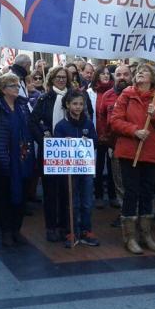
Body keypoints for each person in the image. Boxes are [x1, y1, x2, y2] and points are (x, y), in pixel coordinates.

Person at [109, 64, 155, 254]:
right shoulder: (126, 96)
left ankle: (146, 234)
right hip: (130, 152)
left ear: (152, 78)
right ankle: (129, 237)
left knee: (147, 192)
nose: (139, 75)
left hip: (152, 153)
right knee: (131, 192)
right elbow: (115, 121)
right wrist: (134, 131)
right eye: (137, 73)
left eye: (143, 72)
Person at [31, 66, 93, 241]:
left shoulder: (75, 96)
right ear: (51, 79)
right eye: (57, 77)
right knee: (50, 192)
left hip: (73, 153)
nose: (60, 80)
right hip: (52, 152)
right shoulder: (44, 98)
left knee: (68, 191)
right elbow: (33, 121)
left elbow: (87, 116)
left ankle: (67, 226)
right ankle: (51, 227)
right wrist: (43, 140)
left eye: (63, 77)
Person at [0, 73, 35, 247]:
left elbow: (30, 128)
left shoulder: (23, 107)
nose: (17, 88)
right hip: (5, 160)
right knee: (5, 197)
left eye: (17, 85)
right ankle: (6, 231)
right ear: (3, 89)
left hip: (23, 159)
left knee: (22, 197)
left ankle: (16, 230)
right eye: (13, 86)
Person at [53, 90, 99, 247]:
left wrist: (89, 141)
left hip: (85, 168)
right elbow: (56, 148)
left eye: (81, 104)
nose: (78, 107)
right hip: (70, 171)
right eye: (75, 104)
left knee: (87, 201)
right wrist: (64, 142)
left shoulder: (88, 124)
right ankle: (71, 230)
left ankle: (86, 230)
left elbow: (95, 141)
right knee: (73, 201)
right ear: (67, 105)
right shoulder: (61, 126)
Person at [97, 64, 132, 222]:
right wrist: (107, 141)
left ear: (131, 76)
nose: (122, 77)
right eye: (118, 75)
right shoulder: (107, 96)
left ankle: (135, 212)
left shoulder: (138, 94)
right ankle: (125, 214)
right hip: (116, 146)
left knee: (134, 183)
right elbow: (102, 120)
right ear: (114, 77)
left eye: (125, 74)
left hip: (136, 146)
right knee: (119, 183)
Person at [87, 66, 115, 209]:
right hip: (95, 135)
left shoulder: (114, 93)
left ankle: (112, 195)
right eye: (102, 74)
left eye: (107, 74)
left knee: (112, 168)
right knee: (97, 167)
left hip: (110, 136)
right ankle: (98, 195)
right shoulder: (89, 92)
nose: (105, 76)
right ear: (97, 76)